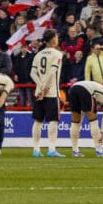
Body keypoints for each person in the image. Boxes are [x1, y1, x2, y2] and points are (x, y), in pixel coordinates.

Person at [30, 29, 65, 157]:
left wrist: (40, 86)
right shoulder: (57, 54)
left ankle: (36, 149)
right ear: (53, 39)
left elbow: (32, 73)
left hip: (38, 92)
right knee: (53, 121)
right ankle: (51, 149)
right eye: (56, 37)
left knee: (37, 121)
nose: (58, 39)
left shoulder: (38, 55)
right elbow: (52, 72)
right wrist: (44, 88)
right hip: (51, 92)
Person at [67, 80, 103, 158]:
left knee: (75, 121)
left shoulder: (100, 92)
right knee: (93, 119)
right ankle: (99, 150)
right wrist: (102, 132)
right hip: (85, 90)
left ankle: (75, 151)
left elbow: (83, 110)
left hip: (72, 89)